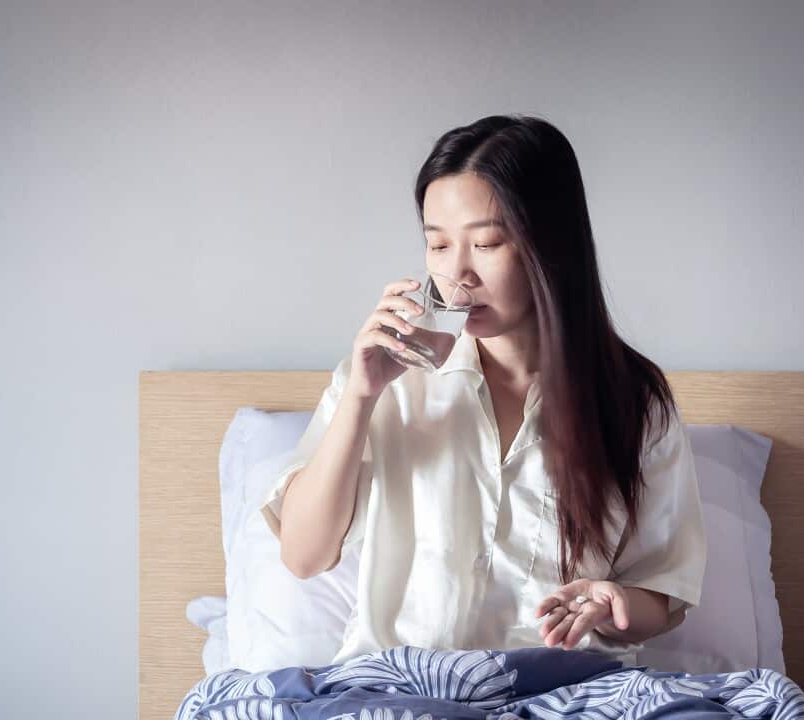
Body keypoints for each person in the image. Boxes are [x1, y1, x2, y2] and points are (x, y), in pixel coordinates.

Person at [259, 114, 706, 667]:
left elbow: (661, 593)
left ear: (551, 245)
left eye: (487, 243)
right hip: (403, 689)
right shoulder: (390, 381)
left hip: (566, 689)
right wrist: (359, 396)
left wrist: (610, 601)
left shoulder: (636, 400)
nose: (458, 273)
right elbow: (303, 556)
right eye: (438, 246)